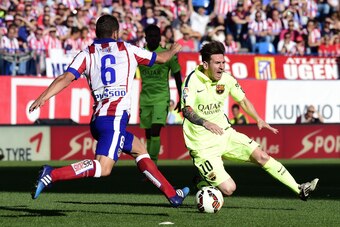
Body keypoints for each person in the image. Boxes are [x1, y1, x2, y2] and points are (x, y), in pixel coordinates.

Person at [29, 15, 189, 207]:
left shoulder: (87, 53)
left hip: (99, 120)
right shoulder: (128, 50)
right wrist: (172, 50)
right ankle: (51, 175)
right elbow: (162, 58)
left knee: (139, 149)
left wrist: (43, 97)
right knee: (103, 168)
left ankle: (173, 195)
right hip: (114, 118)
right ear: (116, 33)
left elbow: (65, 77)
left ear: (97, 33)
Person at [181, 41, 319, 201]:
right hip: (202, 145)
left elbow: (244, 101)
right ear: (205, 64)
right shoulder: (192, 81)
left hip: (225, 134)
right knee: (229, 189)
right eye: (217, 63)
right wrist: (206, 123)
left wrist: (258, 119)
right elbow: (186, 110)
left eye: (223, 62)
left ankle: (299, 188)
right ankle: (201, 181)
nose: (222, 67)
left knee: (262, 156)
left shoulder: (227, 79)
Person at [139, 24, 183, 164]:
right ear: (145, 38)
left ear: (160, 38)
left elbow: (177, 76)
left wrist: (181, 97)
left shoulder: (168, 54)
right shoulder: (140, 53)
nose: (153, 39)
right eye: (150, 36)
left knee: (155, 131)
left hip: (161, 98)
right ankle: (149, 166)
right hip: (145, 98)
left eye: (155, 36)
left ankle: (152, 165)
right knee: (148, 135)